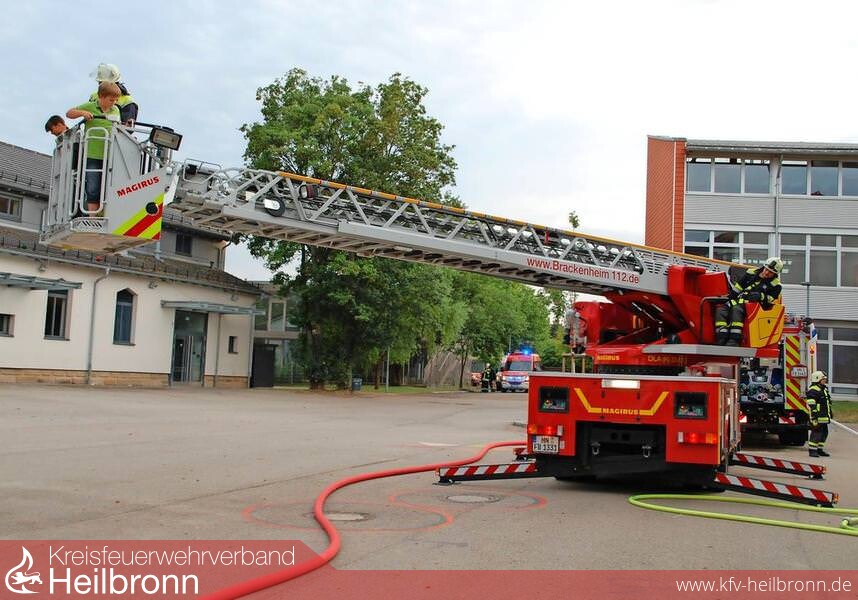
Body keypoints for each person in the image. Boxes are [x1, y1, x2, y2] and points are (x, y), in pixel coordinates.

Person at [66, 82, 122, 214]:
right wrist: (83, 113)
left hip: (111, 155)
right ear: (101, 97)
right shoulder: (90, 106)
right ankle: (92, 216)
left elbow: (119, 128)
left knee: (111, 186)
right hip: (92, 154)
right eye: (111, 100)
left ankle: (108, 214)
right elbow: (69, 113)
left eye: (115, 100)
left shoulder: (116, 110)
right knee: (93, 186)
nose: (113, 103)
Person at [714, 257, 783, 346]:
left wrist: (760, 296)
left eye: (770, 272)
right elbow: (739, 287)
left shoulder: (776, 286)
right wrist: (729, 297)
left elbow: (770, 300)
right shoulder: (751, 273)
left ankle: (734, 340)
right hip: (739, 301)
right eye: (766, 269)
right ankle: (721, 337)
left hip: (754, 308)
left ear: (775, 274)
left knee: (736, 309)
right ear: (764, 266)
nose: (767, 273)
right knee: (721, 309)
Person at [806, 371, 833, 457]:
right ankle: (812, 450)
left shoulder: (824, 389)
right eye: (823, 379)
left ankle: (819, 449)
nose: (825, 380)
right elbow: (811, 403)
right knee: (816, 432)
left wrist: (830, 412)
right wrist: (814, 414)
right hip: (817, 416)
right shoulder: (813, 390)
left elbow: (827, 402)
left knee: (824, 433)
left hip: (823, 416)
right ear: (817, 379)